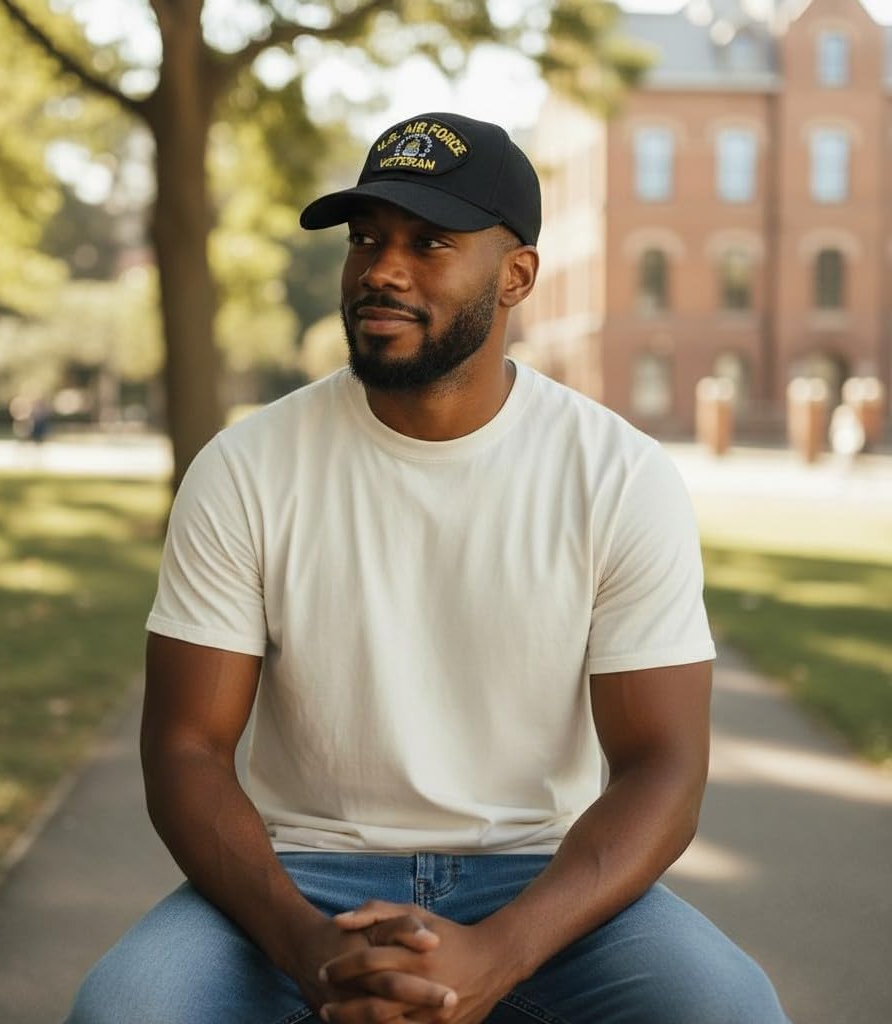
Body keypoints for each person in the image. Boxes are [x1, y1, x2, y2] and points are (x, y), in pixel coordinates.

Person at [67, 112, 789, 1024]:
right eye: (366, 238)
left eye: (429, 243)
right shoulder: (247, 467)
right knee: (124, 1011)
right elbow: (185, 748)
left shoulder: (617, 475)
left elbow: (664, 767)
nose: (382, 269)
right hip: (297, 877)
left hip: (541, 879)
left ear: (516, 276)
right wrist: (303, 947)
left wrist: (502, 951)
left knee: (731, 1010)